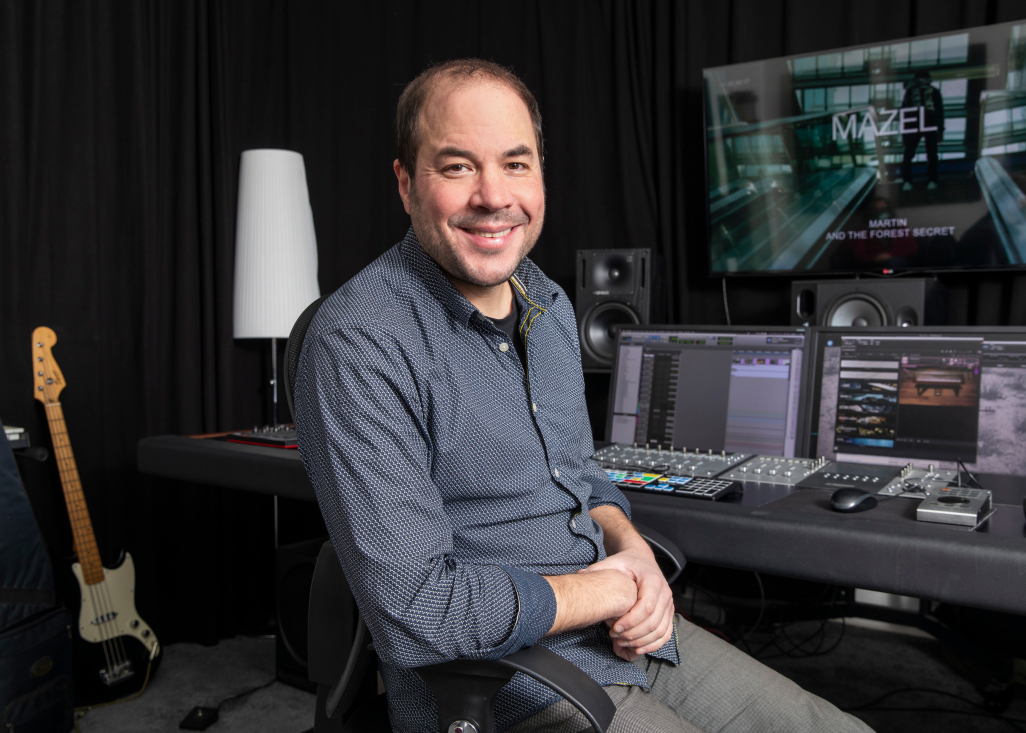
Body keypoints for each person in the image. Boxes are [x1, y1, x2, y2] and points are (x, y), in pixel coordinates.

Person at [294, 58, 873, 733]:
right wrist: (606, 587)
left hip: (621, 634)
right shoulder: (360, 339)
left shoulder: (549, 302)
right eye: (456, 167)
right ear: (405, 183)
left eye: (515, 163)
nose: (492, 195)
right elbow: (419, 609)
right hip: (500, 677)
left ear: (540, 172)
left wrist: (636, 557)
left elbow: (583, 479)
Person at [900, 70, 944, 191]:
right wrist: (940, 130)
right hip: (924, 123)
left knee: (916, 154)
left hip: (919, 124)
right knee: (927, 154)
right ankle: (929, 180)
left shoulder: (912, 91)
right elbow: (939, 111)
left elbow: (904, 112)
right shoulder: (932, 91)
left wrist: (904, 134)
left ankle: (911, 181)